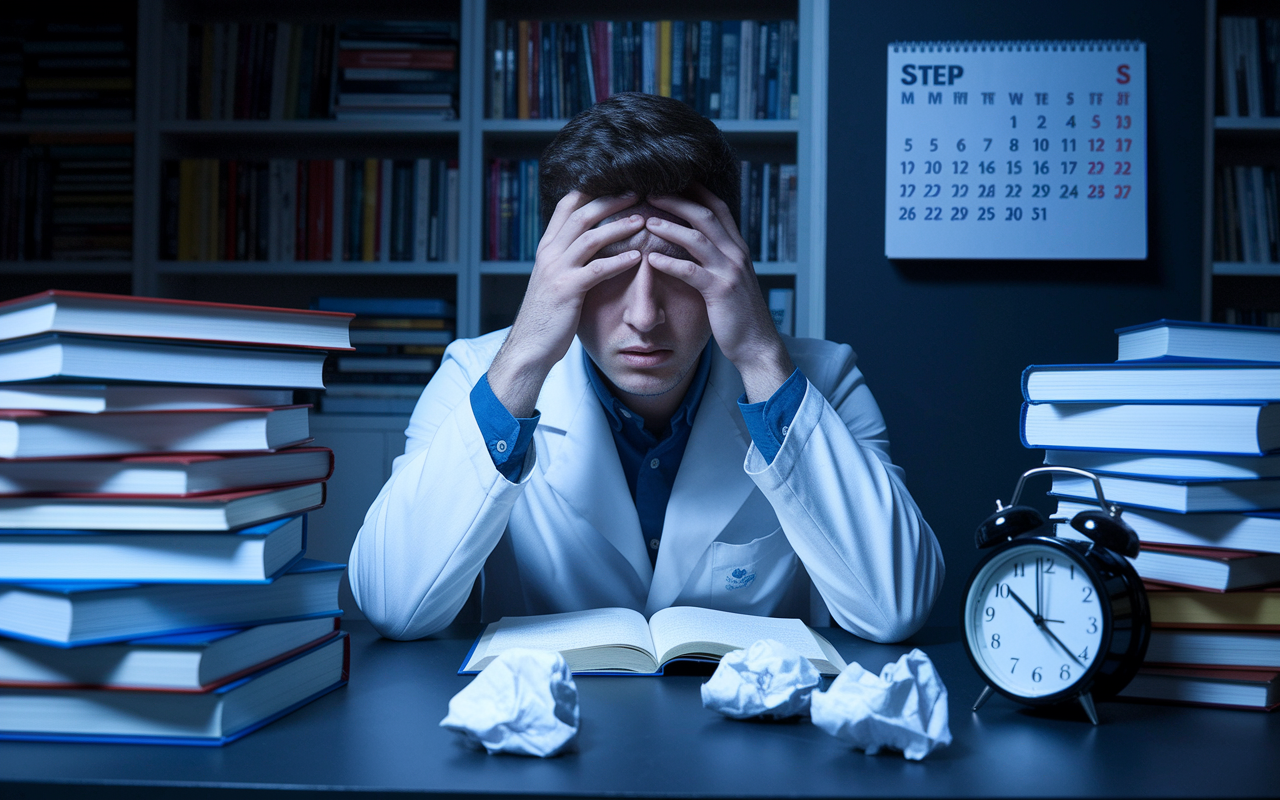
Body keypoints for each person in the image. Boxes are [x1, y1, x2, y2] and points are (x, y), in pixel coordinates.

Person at [348, 93, 943, 643]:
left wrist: (761, 356)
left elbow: (894, 607)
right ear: (556, 273)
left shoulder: (823, 380)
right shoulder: (479, 376)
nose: (643, 316)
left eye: (680, 268)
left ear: (729, 267)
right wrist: (526, 354)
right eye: (604, 271)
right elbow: (394, 604)